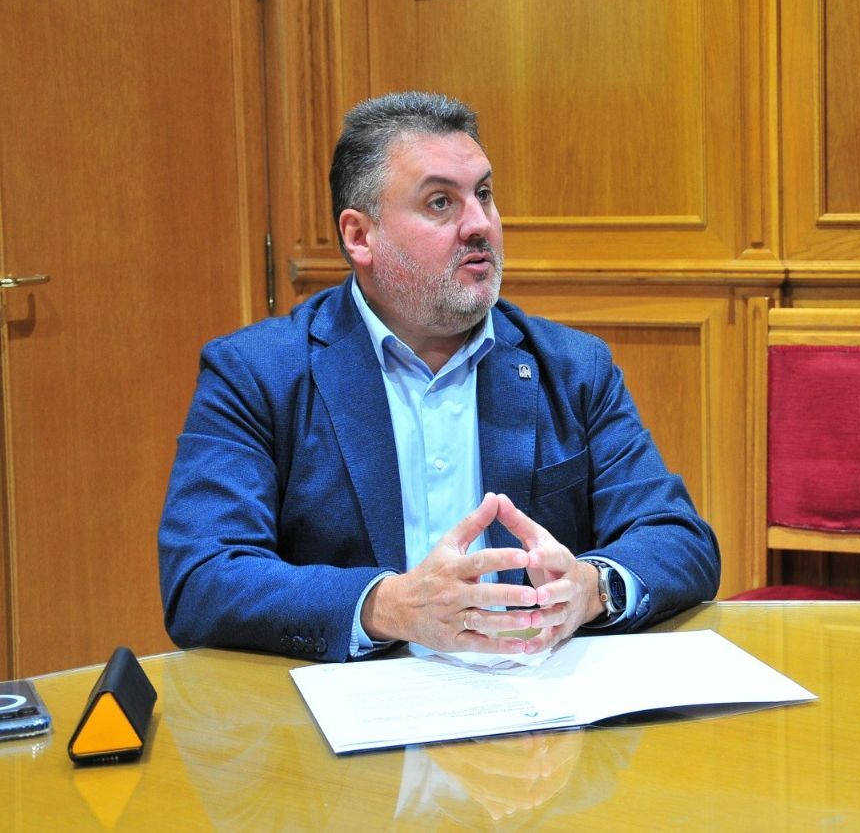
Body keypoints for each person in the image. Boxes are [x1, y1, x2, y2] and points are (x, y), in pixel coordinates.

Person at [158, 91, 720, 661]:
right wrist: (388, 606)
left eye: (483, 194)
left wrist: (591, 589)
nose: (480, 224)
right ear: (360, 236)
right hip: (353, 713)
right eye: (440, 204)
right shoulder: (257, 374)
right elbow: (202, 577)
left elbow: (679, 539)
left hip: (536, 716)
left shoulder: (574, 367)